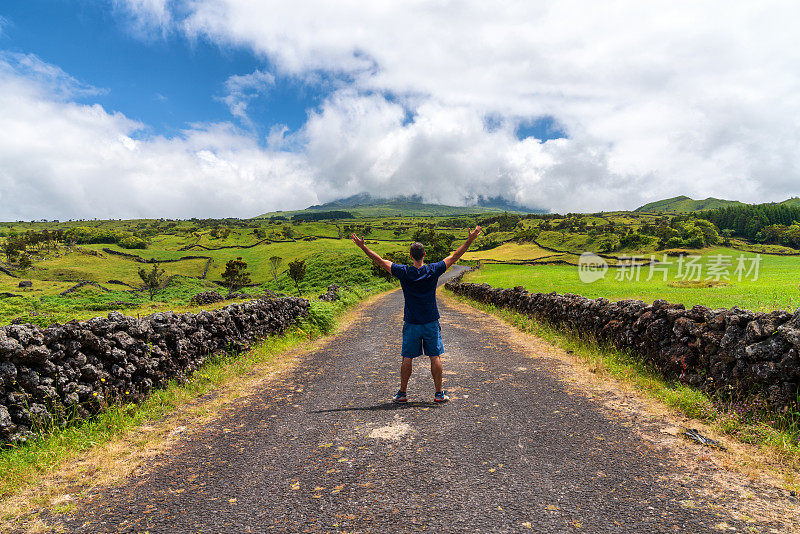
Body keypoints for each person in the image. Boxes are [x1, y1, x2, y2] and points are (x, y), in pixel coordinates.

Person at [351, 226, 482, 403]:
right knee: (434, 356)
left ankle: (402, 393)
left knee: (407, 357)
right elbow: (454, 256)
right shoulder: (433, 270)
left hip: (411, 322)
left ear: (411, 256)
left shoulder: (404, 272)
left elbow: (381, 261)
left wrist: (363, 247)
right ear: (424, 255)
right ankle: (438, 394)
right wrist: (470, 239)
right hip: (430, 321)